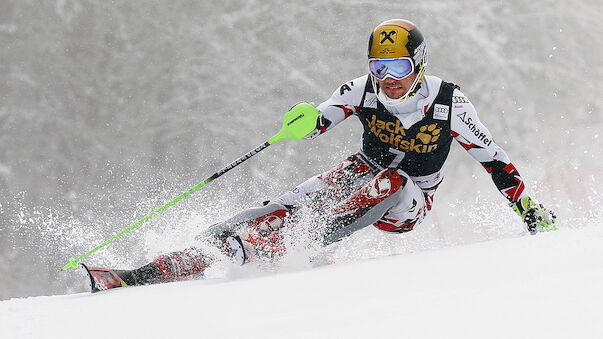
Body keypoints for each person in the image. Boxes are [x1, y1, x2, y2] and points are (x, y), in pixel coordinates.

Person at [82, 19, 557, 292]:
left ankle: (298, 245)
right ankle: (162, 266)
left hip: (410, 199)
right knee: (280, 209)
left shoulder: (451, 103)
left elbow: (496, 162)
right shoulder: (362, 89)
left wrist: (529, 211)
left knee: (390, 184)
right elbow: (322, 117)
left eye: (398, 67)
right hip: (360, 172)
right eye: (378, 66)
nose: (387, 78)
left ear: (419, 65)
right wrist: (305, 118)